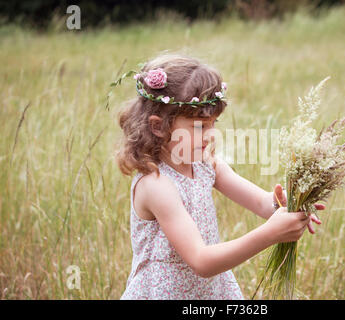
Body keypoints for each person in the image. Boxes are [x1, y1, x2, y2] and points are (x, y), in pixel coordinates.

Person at [116, 53, 325, 299]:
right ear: (158, 126)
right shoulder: (156, 184)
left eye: (214, 124)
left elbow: (261, 203)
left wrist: (286, 206)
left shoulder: (207, 165)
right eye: (199, 126)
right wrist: (271, 234)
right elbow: (201, 261)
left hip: (208, 292)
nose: (210, 135)